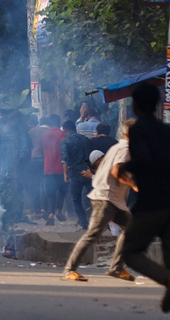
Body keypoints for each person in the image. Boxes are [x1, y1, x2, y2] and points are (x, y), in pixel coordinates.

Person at [119, 82, 170, 320]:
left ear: (134, 105)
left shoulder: (138, 130)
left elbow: (144, 160)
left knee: (130, 252)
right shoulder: (168, 130)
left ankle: (167, 280)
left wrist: (126, 166)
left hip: (151, 204)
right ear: (157, 104)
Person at [63, 120, 137, 282]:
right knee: (92, 235)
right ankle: (70, 270)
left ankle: (117, 268)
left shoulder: (118, 147)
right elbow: (117, 170)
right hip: (106, 198)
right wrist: (135, 185)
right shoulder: (124, 149)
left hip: (111, 198)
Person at [61, 119, 92, 229]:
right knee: (95, 196)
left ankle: (84, 223)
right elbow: (90, 158)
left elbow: (65, 160)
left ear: (65, 130)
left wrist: (65, 175)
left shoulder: (65, 142)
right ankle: (98, 219)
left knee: (76, 199)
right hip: (88, 172)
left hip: (74, 173)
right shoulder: (85, 139)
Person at [41, 114, 66, 225]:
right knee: (62, 190)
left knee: (50, 192)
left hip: (48, 168)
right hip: (60, 167)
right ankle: (58, 210)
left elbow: (42, 148)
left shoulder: (44, 135)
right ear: (59, 122)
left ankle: (51, 213)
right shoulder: (62, 134)